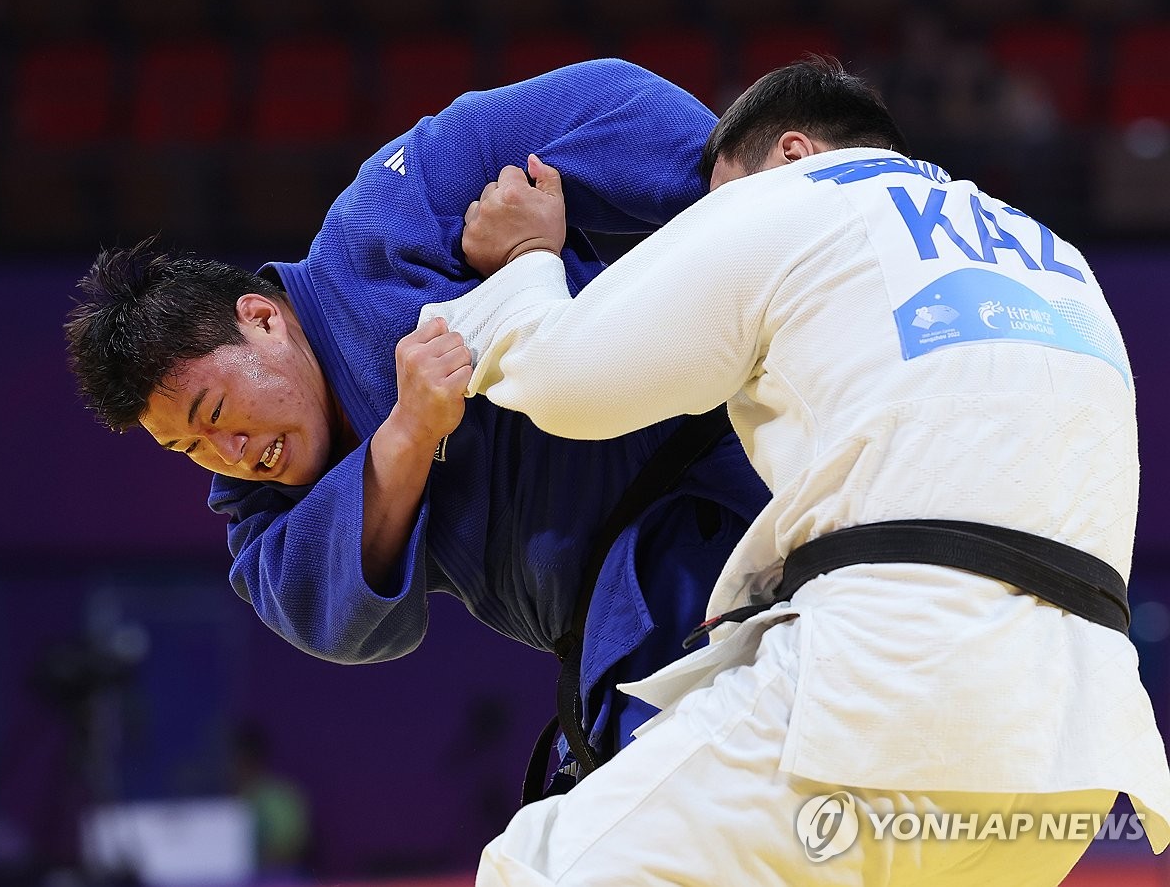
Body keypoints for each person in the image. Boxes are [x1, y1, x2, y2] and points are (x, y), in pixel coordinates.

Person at [421, 57, 1170, 885]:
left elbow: (568, 382)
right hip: (1074, 759)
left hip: (892, 696)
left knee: (540, 867)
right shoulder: (1055, 256)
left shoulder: (798, 195)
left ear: (788, 151)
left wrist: (527, 260)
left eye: (716, 199)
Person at [64, 60, 770, 778]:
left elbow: (608, 99)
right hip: (625, 638)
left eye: (214, 412)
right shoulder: (260, 503)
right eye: (189, 447)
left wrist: (758, 212)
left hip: (738, 481)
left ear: (262, 320)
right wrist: (407, 435)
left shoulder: (384, 220)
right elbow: (325, 620)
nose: (229, 451)